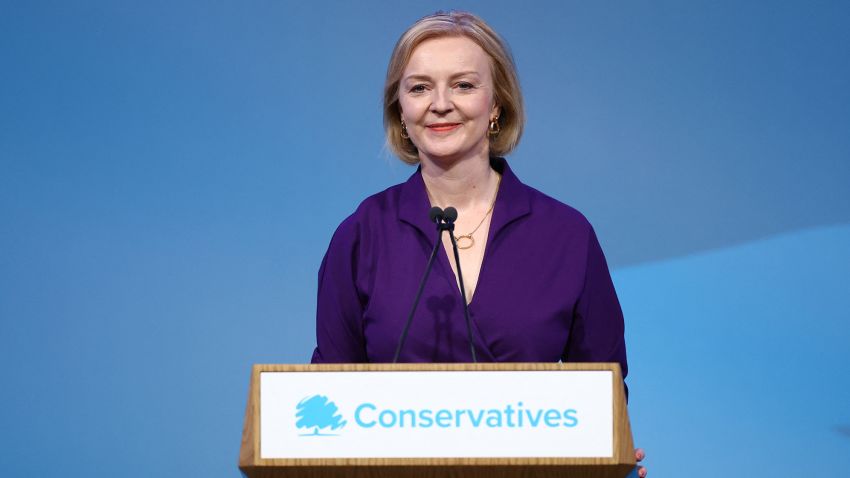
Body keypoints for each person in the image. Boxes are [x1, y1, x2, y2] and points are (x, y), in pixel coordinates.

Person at [310, 11, 646, 477]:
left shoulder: (566, 235)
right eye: (420, 87)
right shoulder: (362, 234)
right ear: (400, 112)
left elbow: (602, 395)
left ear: (496, 105)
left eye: (464, 85)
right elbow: (329, 394)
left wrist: (609, 460)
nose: (440, 104)